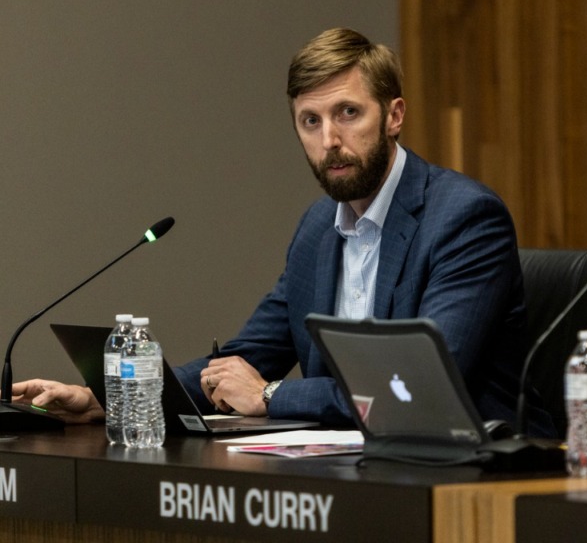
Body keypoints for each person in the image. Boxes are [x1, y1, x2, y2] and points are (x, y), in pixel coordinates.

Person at [15, 28, 554, 437]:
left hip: (468, 474)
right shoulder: (319, 227)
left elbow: (415, 385)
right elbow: (247, 358)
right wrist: (111, 396)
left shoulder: (464, 217)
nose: (330, 140)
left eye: (348, 113)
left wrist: (270, 397)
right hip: (353, 468)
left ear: (394, 116)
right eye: (311, 121)